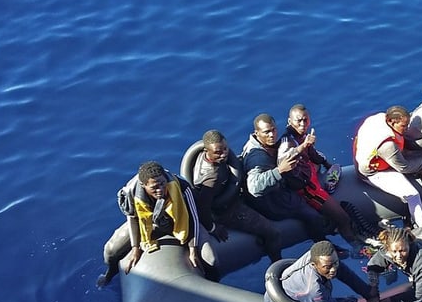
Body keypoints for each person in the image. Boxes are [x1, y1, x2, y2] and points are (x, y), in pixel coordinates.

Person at [98, 161, 217, 287]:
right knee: (111, 250)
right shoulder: (132, 191)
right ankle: (109, 274)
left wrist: (193, 249)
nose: (160, 189)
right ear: (144, 185)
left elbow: (193, 217)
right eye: (154, 187)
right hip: (151, 224)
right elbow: (133, 218)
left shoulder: (182, 187)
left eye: (162, 183)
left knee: (211, 259)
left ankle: (212, 284)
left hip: (179, 222)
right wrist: (135, 248)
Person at [354, 105, 422, 229]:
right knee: (412, 195)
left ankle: (409, 219)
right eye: (403, 126)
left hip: (373, 158)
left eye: (407, 125)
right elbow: (404, 167)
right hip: (373, 173)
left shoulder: (379, 118)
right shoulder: (388, 145)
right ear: (391, 121)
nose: (406, 129)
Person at [241, 114, 338, 252]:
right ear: (257, 133)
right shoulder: (257, 157)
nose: (272, 135)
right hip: (270, 202)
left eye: (273, 130)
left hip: (275, 191)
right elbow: (254, 187)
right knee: (312, 216)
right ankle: (322, 246)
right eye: (266, 132)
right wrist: (279, 171)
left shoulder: (259, 143)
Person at [277, 104, 369, 251]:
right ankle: (356, 247)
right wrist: (304, 146)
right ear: (290, 121)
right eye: (298, 121)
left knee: (320, 159)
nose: (302, 124)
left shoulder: (302, 136)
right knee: (343, 218)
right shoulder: (287, 142)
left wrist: (327, 165)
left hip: (311, 175)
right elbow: (283, 162)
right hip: (306, 188)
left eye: (305, 120)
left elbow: (312, 153)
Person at [192, 129, 283, 264]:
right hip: (227, 211)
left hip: (230, 197)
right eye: (218, 152)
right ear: (206, 150)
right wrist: (212, 227)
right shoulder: (211, 178)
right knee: (273, 232)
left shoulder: (204, 156)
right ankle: (277, 263)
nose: (223, 154)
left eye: (225, 149)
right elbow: (202, 206)